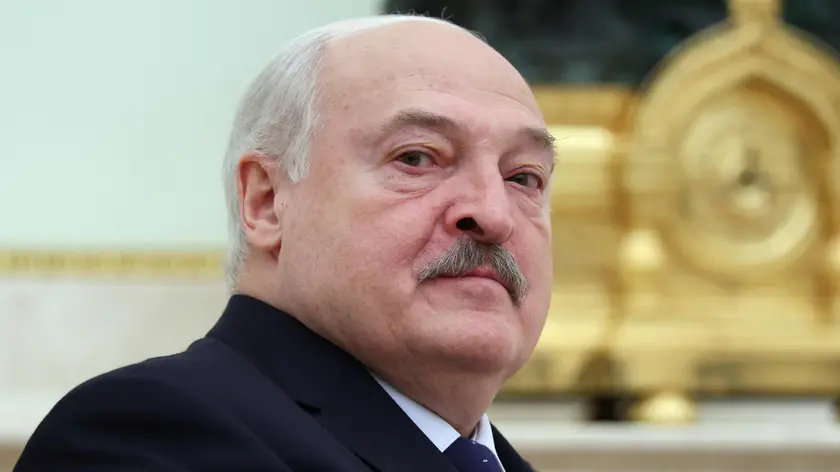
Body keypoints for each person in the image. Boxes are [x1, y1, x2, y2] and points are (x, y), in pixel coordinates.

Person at [14, 13, 555, 472]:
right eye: (416, 158)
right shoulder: (146, 435)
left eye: (524, 177)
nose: (493, 213)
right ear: (267, 202)